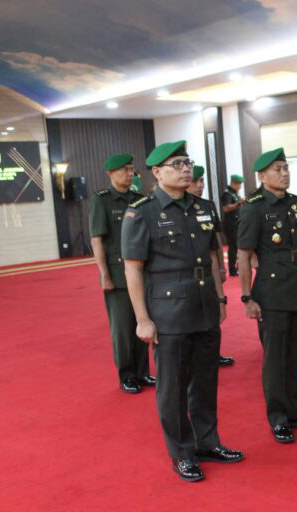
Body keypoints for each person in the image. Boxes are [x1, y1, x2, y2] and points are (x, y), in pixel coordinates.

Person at [121, 140, 243, 483]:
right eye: (177, 164)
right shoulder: (141, 212)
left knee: (205, 380)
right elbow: (133, 269)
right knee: (173, 387)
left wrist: (220, 299)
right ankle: (182, 453)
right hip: (169, 311)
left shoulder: (202, 206)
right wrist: (142, 319)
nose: (186, 169)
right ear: (157, 173)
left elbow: (213, 258)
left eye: (188, 163)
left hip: (204, 305)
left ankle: (208, 442)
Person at [237, 147, 297, 444]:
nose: (284, 173)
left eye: (286, 168)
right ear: (262, 176)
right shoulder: (253, 207)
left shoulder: (296, 202)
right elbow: (243, 255)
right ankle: (278, 417)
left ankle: (296, 408)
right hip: (272, 292)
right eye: (277, 169)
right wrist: (247, 297)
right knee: (275, 358)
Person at [89, 153, 153, 394]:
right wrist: (104, 274)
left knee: (143, 321)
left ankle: (142, 372)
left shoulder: (139, 198)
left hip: (142, 273)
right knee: (123, 329)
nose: (129, 174)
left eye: (131, 169)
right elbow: (97, 240)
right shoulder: (102, 200)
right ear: (110, 173)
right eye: (124, 170)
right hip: (117, 275)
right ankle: (127, 375)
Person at [187, 165, 235, 367]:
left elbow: (214, 242)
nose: (200, 185)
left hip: (208, 269)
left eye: (202, 181)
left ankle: (214, 353)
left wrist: (222, 268)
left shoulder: (207, 206)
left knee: (212, 313)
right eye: (196, 181)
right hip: (188, 274)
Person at [221, 174, 244, 276]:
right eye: (239, 184)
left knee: (237, 247)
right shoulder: (227, 194)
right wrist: (238, 203)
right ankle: (232, 270)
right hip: (230, 225)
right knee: (233, 247)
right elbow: (226, 208)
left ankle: (237, 267)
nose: (240, 187)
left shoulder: (235, 193)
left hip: (237, 224)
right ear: (234, 183)